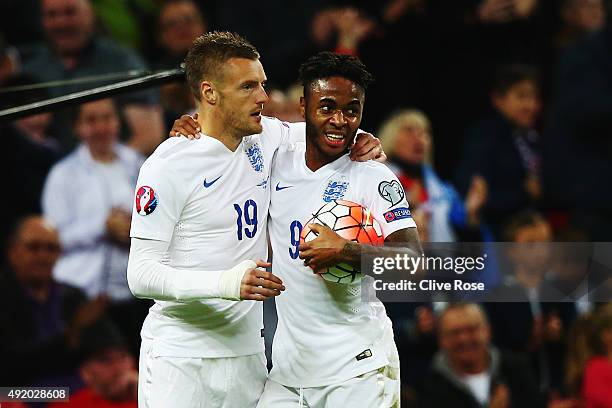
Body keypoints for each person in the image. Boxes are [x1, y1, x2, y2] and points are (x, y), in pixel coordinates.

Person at [129, 32, 381, 408]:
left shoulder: (265, 138)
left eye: (262, 84)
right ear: (210, 93)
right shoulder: (168, 166)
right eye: (248, 87)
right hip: (182, 359)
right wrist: (228, 282)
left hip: (250, 358)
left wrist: (365, 139)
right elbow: (140, 275)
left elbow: (325, 131)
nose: (263, 97)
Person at [254, 51, 421, 408]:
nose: (340, 120)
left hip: (357, 371)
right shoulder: (276, 157)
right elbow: (225, 126)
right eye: (327, 107)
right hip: (287, 376)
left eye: (352, 110)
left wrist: (346, 252)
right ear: (303, 106)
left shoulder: (373, 175)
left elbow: (412, 262)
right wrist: (190, 129)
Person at [42, 98, 146, 354]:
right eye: (91, 120)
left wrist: (136, 229)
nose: (101, 127)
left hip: (135, 293)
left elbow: (159, 214)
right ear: (77, 127)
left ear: (118, 121)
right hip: (84, 294)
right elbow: (53, 240)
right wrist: (102, 227)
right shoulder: (63, 174)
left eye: (107, 118)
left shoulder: (138, 164)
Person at [18, 0, 164, 154]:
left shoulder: (122, 62)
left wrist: (105, 169)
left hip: (118, 170)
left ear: (91, 14)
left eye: (70, 12)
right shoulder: (30, 71)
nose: (61, 22)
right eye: (51, 15)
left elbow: (149, 136)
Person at [0, 216, 108, 387]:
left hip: (74, 392)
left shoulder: (73, 295)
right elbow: (10, 364)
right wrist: (70, 335)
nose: (43, 256)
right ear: (12, 252)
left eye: (51, 249)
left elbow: (105, 347)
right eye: (34, 247)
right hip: (13, 393)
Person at [455, 63, 543, 238]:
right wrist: (525, 192)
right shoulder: (484, 138)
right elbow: (476, 196)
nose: (531, 105)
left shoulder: (533, 139)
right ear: (498, 99)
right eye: (522, 96)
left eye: (534, 97)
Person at [378, 109, 488, 242]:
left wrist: (471, 213)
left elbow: (467, 242)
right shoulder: (377, 180)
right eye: (409, 131)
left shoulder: (443, 190)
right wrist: (406, 209)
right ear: (390, 137)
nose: (419, 137)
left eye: (424, 132)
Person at [416, 303, 545, 407]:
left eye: (471, 330)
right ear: (441, 340)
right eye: (455, 332)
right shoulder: (429, 388)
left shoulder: (516, 369)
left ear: (487, 331)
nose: (464, 339)